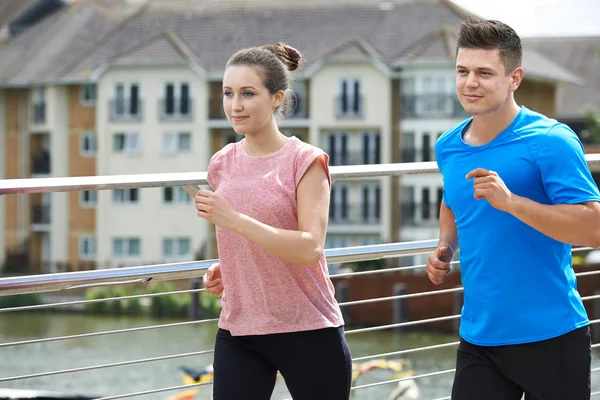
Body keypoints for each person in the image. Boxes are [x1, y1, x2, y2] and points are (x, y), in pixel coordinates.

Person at [426, 18, 600, 400]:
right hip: (478, 337)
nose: (470, 82)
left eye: (484, 73)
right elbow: (452, 201)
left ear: (514, 78)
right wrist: (445, 247)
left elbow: (593, 227)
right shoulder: (448, 146)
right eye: (462, 71)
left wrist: (512, 203)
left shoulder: (551, 140)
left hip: (552, 336)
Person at [194, 42, 352, 400]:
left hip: (308, 328)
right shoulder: (222, 163)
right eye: (228, 93)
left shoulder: (306, 161)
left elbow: (310, 248)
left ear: (277, 97)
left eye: (248, 94)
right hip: (240, 330)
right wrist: (233, 265)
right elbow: (252, 235)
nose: (235, 105)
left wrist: (233, 220)